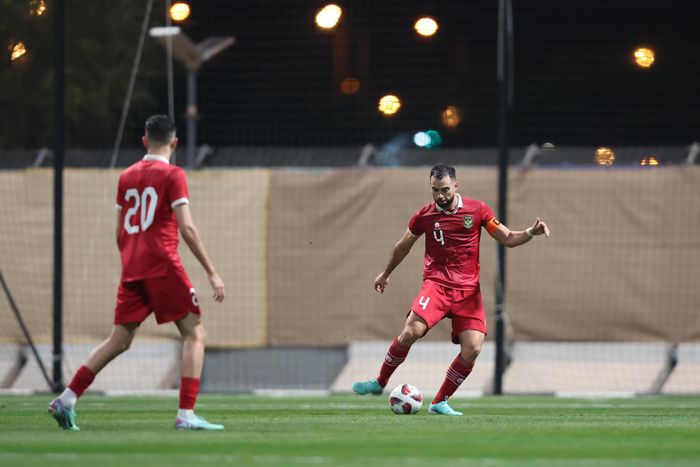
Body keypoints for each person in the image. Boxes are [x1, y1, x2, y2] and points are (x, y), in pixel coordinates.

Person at [49, 115, 226, 430]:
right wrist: (212, 272)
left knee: (119, 339)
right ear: (175, 142)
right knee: (195, 334)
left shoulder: (126, 176)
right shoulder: (174, 174)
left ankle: (66, 398)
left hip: (133, 268)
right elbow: (186, 226)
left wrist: (133, 259)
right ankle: (186, 414)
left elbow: (120, 232)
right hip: (163, 265)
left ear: (144, 141)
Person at [352, 164, 549, 415]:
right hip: (437, 286)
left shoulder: (477, 210)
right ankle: (379, 382)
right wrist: (386, 273)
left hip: (468, 293)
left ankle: (439, 402)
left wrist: (532, 232)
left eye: (445, 190)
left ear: (456, 186)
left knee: (473, 348)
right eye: (435, 190)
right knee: (411, 330)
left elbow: (508, 238)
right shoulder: (423, 216)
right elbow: (402, 246)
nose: (440, 196)